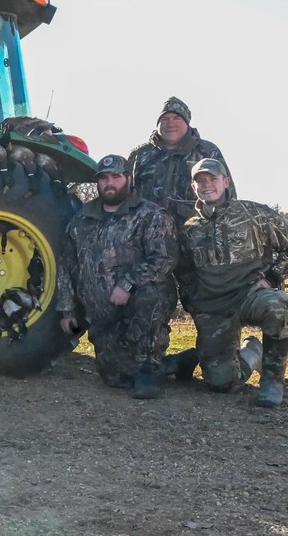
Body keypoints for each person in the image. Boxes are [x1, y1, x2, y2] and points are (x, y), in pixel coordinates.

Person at [176, 158, 288, 407]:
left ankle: (272, 381)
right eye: (200, 181)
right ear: (194, 188)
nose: (207, 185)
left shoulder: (255, 214)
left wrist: (272, 278)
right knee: (221, 382)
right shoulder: (190, 228)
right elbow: (184, 270)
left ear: (226, 181)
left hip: (251, 295)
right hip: (214, 306)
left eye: (213, 179)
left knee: (278, 306)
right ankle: (250, 353)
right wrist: (193, 300)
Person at [55, 155, 178, 398]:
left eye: (116, 177)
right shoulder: (81, 220)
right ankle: (175, 364)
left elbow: (164, 259)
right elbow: (67, 267)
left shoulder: (150, 215)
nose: (109, 183)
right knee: (113, 375)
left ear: (128, 179)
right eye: (104, 178)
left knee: (151, 295)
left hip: (138, 304)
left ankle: (149, 368)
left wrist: (128, 284)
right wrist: (67, 311)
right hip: (104, 316)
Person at [128, 96, 236, 228]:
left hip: (194, 235)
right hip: (147, 233)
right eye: (165, 119)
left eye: (176, 118)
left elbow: (228, 195)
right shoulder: (140, 154)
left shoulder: (207, 151)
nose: (170, 123)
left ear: (187, 122)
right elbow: (125, 195)